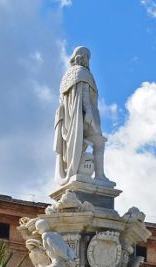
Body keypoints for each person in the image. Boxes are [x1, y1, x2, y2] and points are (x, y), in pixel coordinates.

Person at [54, 46, 109, 183]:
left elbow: (62, 101)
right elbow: (84, 96)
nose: (88, 60)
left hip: (71, 118)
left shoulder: (67, 76)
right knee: (99, 142)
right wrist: (89, 113)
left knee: (85, 143)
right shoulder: (83, 72)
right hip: (84, 113)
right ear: (83, 57)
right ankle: (100, 175)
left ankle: (82, 170)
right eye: (87, 57)